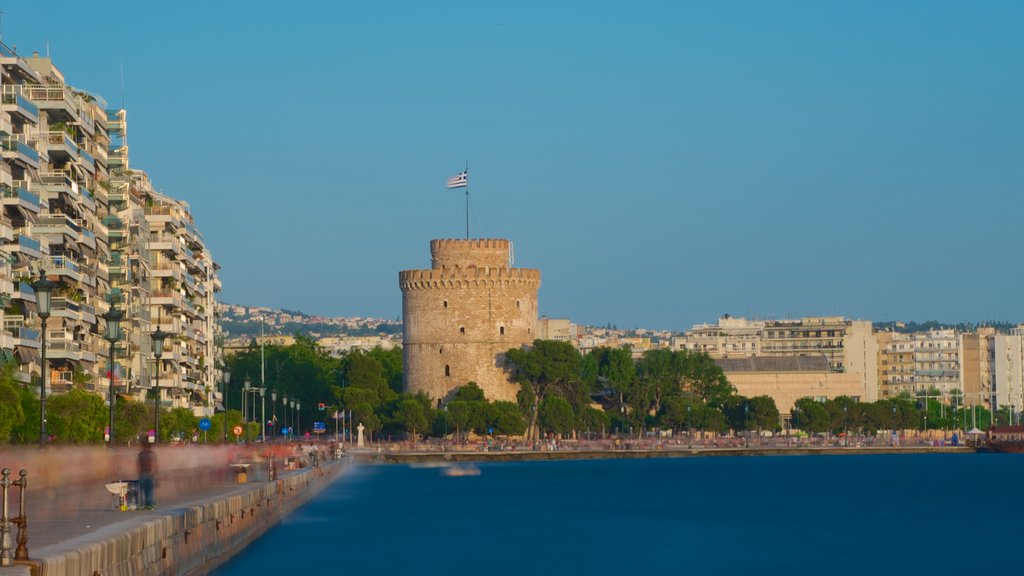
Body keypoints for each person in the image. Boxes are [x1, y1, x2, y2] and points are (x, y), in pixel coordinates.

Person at [137, 442, 158, 510]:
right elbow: (154, 464)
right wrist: (155, 473)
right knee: (150, 490)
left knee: (143, 489)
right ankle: (149, 504)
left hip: (142, 473)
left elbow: (138, 465)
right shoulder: (151, 454)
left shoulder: (140, 454)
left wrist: (139, 473)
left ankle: (143, 504)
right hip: (149, 473)